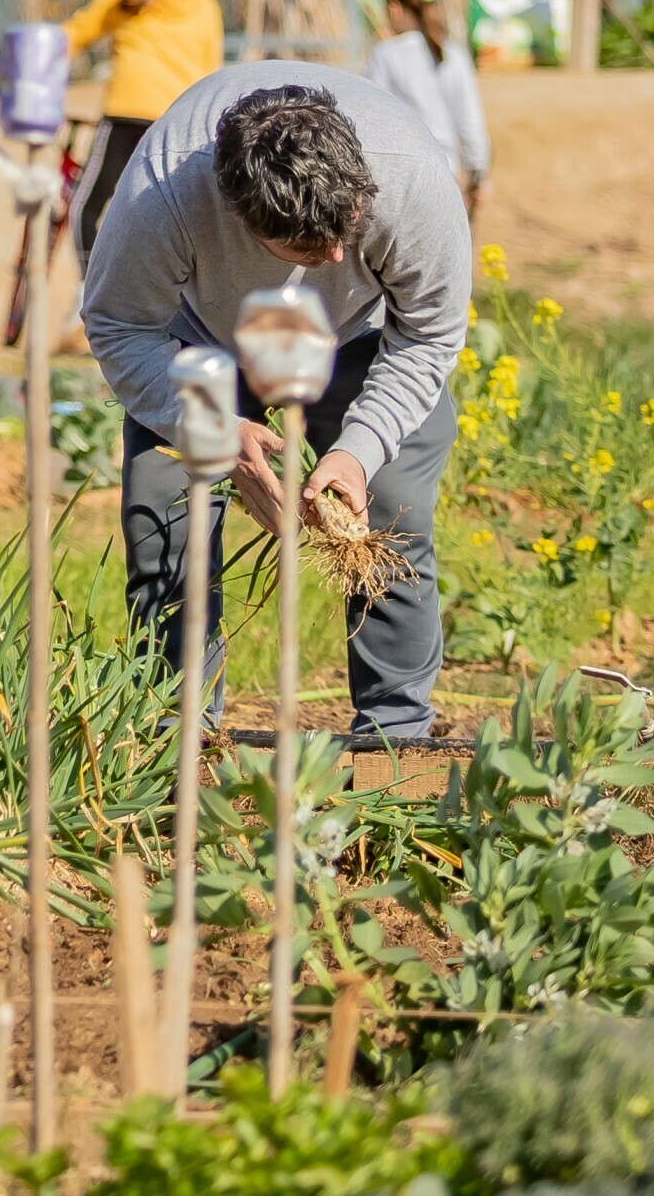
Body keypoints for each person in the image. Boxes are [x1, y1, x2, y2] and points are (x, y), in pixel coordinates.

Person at [82, 66, 472, 747]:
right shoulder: (163, 193)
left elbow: (429, 333)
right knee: (164, 511)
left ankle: (394, 732)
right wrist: (209, 428)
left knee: (393, 501)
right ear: (240, 218)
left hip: (356, 335)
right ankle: (178, 729)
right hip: (197, 340)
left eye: (347, 229)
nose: (337, 253)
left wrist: (356, 452)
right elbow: (118, 325)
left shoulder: (411, 178)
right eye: (306, 248)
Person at [62, 0, 221, 255]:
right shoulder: (203, 4)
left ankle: (87, 289)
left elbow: (76, 34)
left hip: (126, 113)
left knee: (85, 206)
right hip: (177, 121)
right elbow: (211, 70)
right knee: (169, 218)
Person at [369, 0, 489, 221]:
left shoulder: (385, 55)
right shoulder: (454, 55)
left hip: (402, 178)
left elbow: (372, 119)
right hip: (448, 175)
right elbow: (469, 121)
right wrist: (478, 172)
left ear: (394, 9)